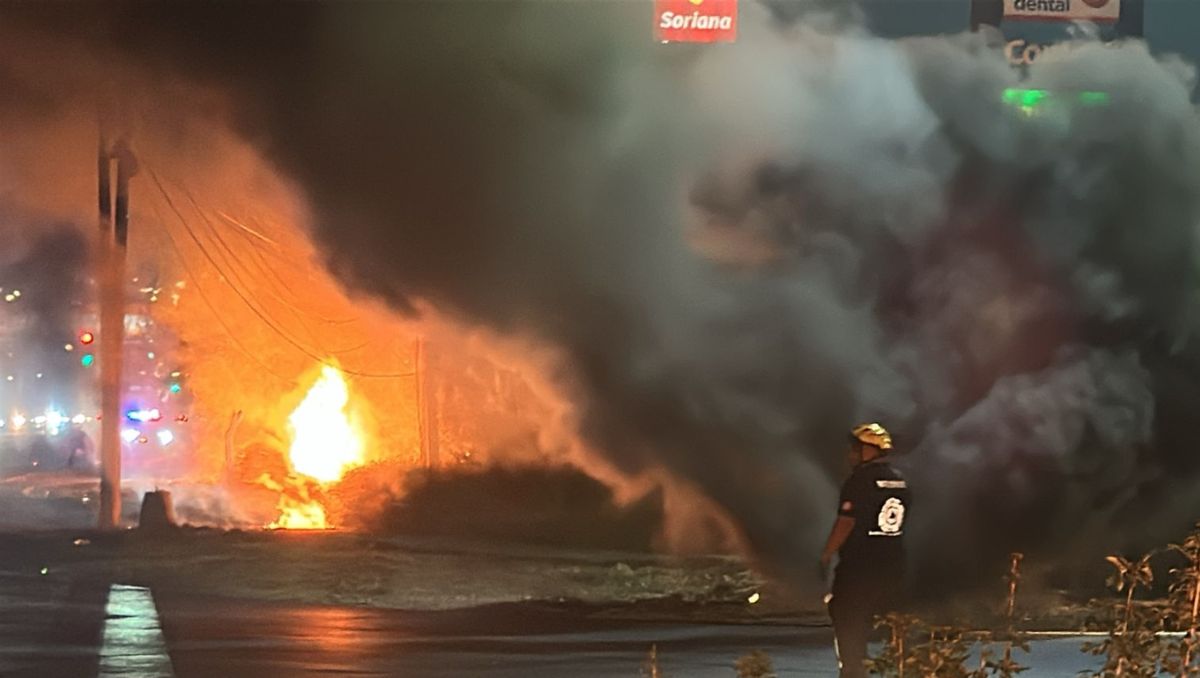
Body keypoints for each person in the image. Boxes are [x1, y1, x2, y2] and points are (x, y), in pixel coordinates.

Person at [819, 422, 911, 678]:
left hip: (859, 566)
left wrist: (827, 554)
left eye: (855, 449)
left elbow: (846, 522)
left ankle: (853, 671)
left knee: (847, 619)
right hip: (893, 564)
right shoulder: (900, 479)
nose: (851, 454)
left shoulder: (859, 480)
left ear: (868, 450)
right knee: (892, 625)